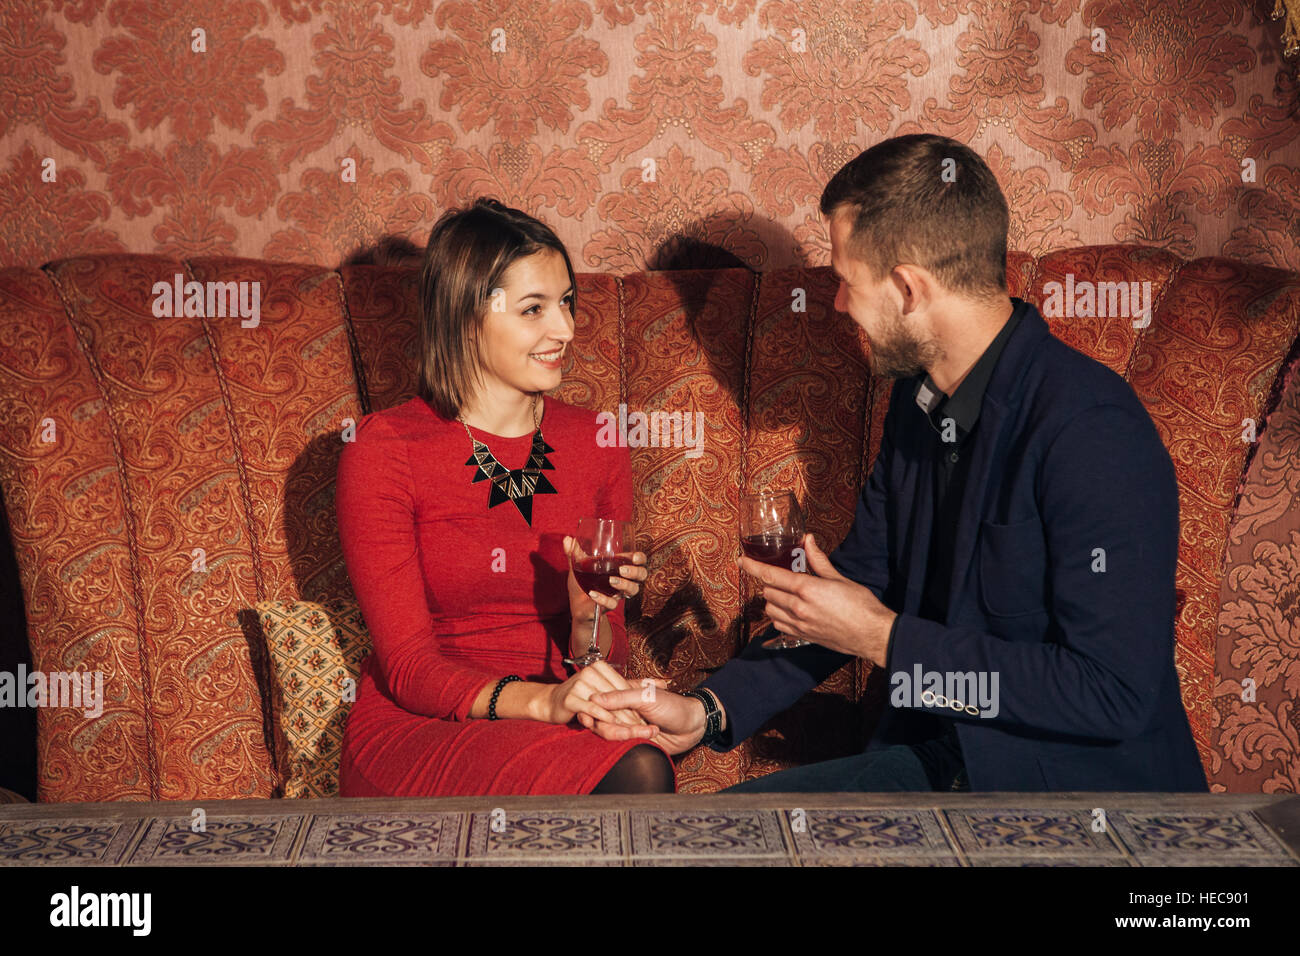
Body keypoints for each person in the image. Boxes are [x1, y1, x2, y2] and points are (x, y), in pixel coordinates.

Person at [584, 134, 1208, 793]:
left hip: (1077, 793)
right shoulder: (918, 407)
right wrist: (707, 711)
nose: (838, 304)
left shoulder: (1091, 430)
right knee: (697, 843)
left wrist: (886, 640)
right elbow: (855, 587)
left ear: (909, 288)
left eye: (848, 282)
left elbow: (1111, 693)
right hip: (943, 767)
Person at [336, 197, 676, 796]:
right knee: (635, 772)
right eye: (534, 309)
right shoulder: (385, 448)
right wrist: (545, 702)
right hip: (428, 726)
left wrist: (583, 622)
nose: (565, 329)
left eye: (567, 302)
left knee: (639, 762)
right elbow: (410, 668)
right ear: (467, 316)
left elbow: (602, 649)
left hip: (562, 716)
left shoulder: (599, 440)